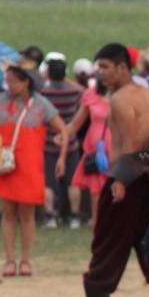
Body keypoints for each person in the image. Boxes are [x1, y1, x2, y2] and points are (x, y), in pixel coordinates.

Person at [61, 42, 149, 297]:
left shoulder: (121, 99)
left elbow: (131, 144)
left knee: (108, 241)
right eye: (98, 67)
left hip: (128, 179)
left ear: (123, 67)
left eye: (105, 67)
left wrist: (120, 180)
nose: (99, 73)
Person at [0, 66, 69, 277]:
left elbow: (63, 129)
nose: (9, 85)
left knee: (27, 214)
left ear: (26, 82)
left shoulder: (41, 104)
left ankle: (25, 260)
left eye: (13, 81)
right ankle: (9, 260)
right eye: (7, 81)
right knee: (7, 212)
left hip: (30, 165)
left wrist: (62, 156)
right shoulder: (1, 101)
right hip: (5, 164)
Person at [38, 55, 84, 229]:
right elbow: (84, 93)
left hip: (49, 142)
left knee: (48, 183)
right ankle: (75, 216)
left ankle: (50, 216)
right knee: (73, 182)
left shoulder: (44, 93)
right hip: (70, 141)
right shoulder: (74, 92)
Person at [68, 70, 111, 230]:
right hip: (96, 151)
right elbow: (76, 123)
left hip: (115, 150)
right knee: (96, 192)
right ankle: (97, 226)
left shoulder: (123, 97)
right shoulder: (91, 95)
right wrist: (63, 134)